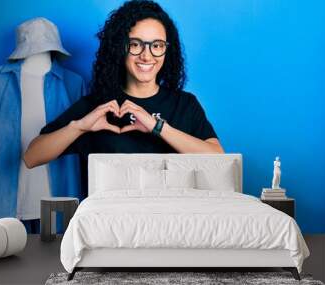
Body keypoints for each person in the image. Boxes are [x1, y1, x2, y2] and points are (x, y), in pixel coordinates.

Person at [24, 0, 224, 195]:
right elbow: (32, 156)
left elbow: (219, 160)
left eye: (157, 45)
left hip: (173, 222)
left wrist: (158, 127)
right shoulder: (97, 107)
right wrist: (80, 126)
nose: (147, 56)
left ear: (166, 50)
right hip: (110, 224)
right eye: (136, 44)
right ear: (120, 47)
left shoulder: (184, 104)